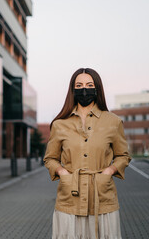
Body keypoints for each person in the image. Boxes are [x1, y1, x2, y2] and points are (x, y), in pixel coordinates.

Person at [43, 68, 131, 239]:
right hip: (69, 197)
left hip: (102, 197)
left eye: (89, 85)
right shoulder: (60, 124)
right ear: (72, 90)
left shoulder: (113, 121)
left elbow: (123, 156)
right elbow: (50, 158)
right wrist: (62, 173)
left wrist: (108, 172)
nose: (84, 89)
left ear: (97, 88)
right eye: (79, 85)